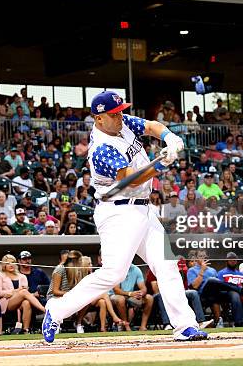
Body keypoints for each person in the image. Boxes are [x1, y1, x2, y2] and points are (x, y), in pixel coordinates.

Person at [42, 91, 207, 342]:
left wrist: (168, 136)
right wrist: (161, 163)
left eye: (120, 111)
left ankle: (184, 325)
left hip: (144, 208)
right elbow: (132, 177)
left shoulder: (121, 122)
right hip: (118, 212)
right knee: (113, 273)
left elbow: (150, 126)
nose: (119, 116)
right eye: (113, 114)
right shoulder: (101, 149)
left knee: (166, 264)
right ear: (98, 119)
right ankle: (56, 309)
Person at [0, 254, 45, 334]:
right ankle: (44, 310)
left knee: (26, 302)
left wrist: (14, 293)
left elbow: (24, 290)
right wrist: (16, 291)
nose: (11, 265)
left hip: (20, 301)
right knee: (23, 292)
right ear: (4, 265)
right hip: (6, 302)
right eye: (8, 263)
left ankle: (25, 330)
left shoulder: (22, 276)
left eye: (13, 262)